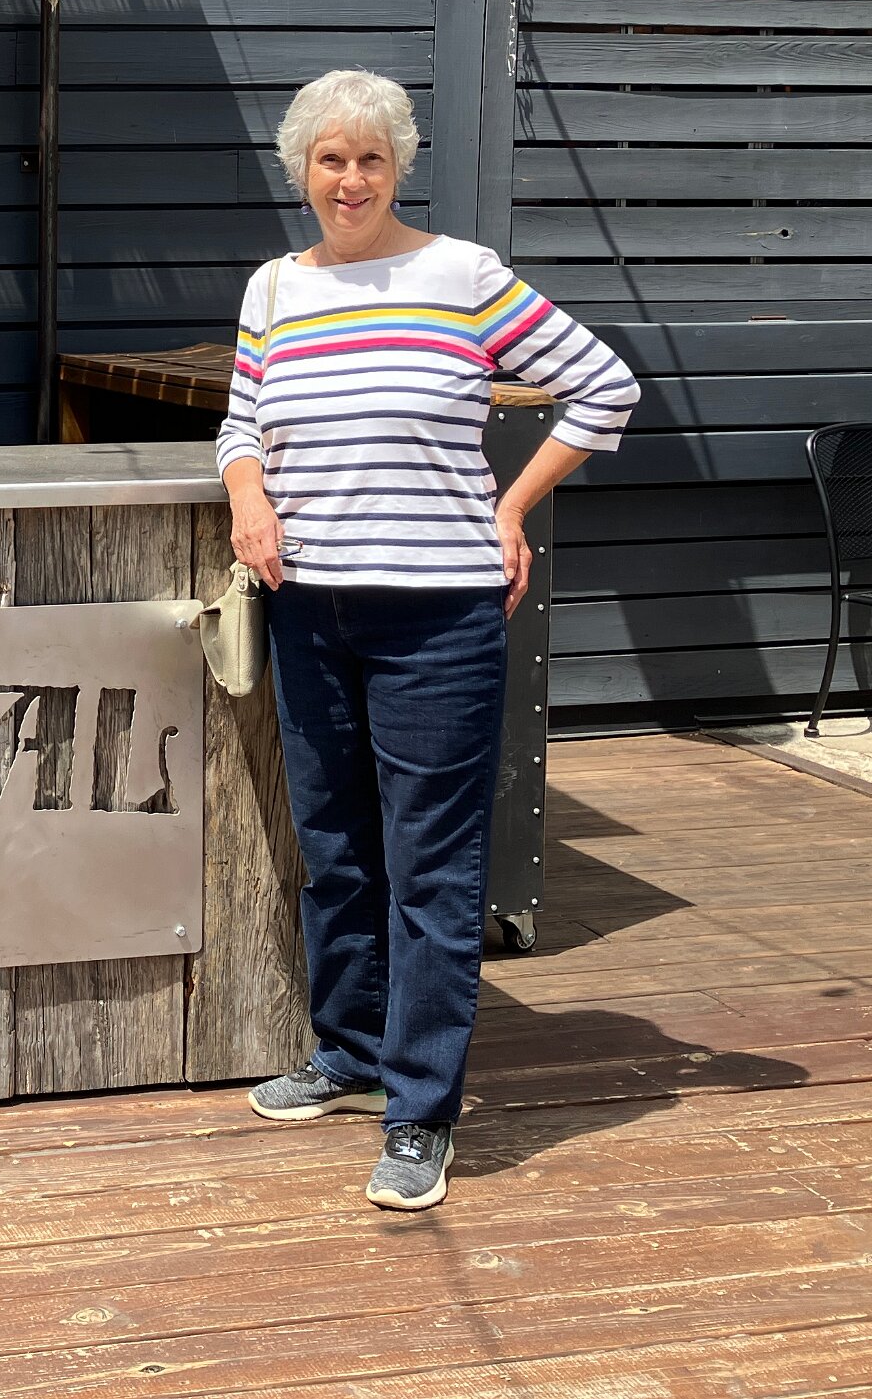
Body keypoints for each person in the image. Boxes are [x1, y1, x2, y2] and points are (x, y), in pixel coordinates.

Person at [218, 68, 637, 1212]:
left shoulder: (462, 276)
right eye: (330, 159)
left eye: (371, 158)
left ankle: (421, 1110)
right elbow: (242, 418)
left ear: (399, 166)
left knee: (431, 870)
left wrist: (513, 505)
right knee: (338, 851)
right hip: (310, 608)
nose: (350, 179)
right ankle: (351, 1055)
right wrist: (249, 495)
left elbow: (604, 388)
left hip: (438, 619)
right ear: (301, 170)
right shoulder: (273, 288)